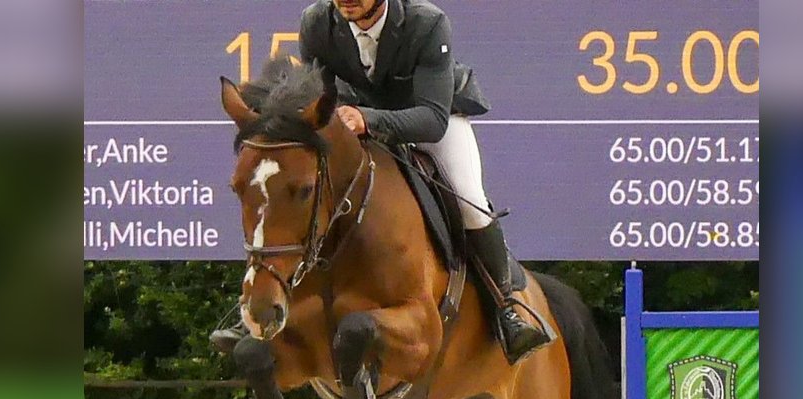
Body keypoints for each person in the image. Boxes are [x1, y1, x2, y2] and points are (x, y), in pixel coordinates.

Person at [213, 0, 550, 364]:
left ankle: (506, 308)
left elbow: (433, 119)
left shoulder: (427, 23)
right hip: (355, 117)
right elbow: (317, 96)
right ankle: (261, 301)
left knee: (470, 201)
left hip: (429, 119)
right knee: (310, 193)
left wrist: (368, 119)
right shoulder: (317, 23)